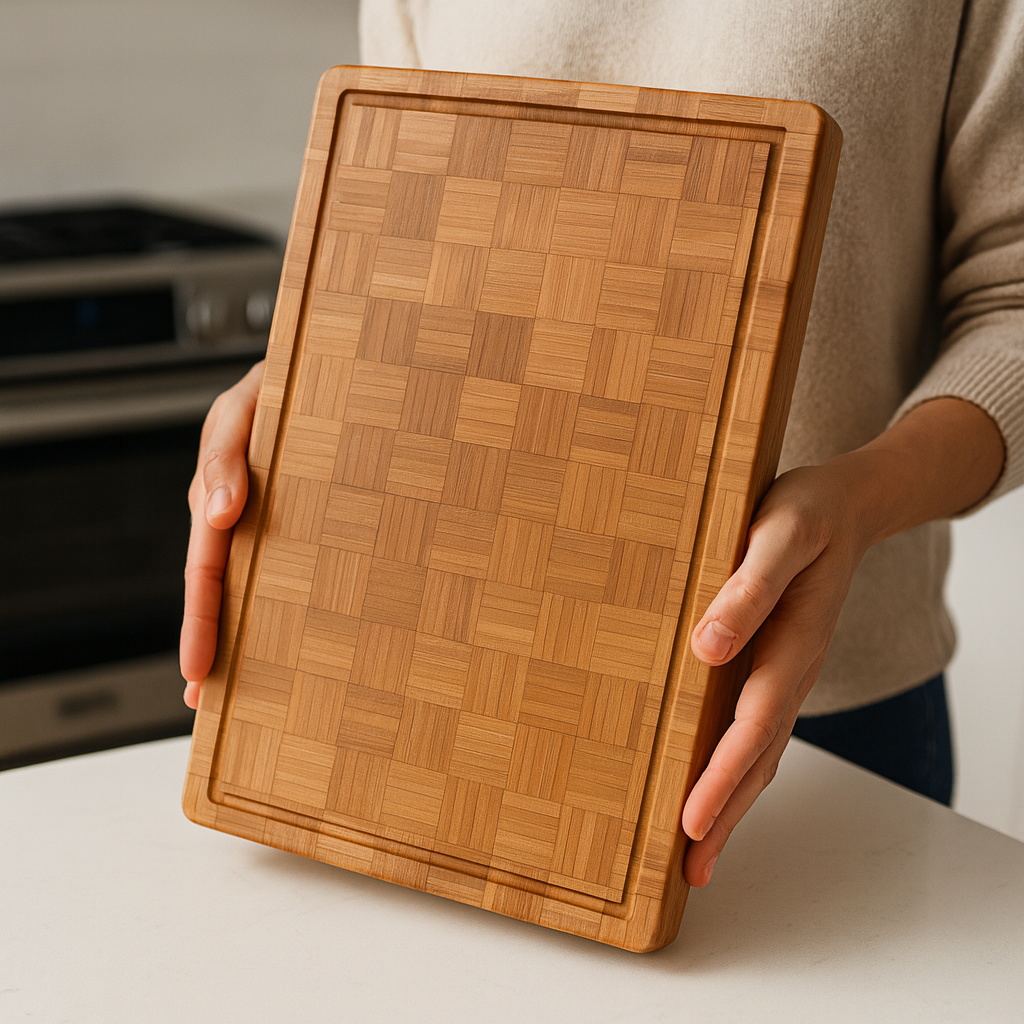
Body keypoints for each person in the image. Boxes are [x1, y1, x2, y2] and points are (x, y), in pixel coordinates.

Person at [180, 0, 1023, 891]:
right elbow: (414, 221)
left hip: (822, 716)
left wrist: (857, 503)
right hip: (432, 682)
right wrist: (307, 372)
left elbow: (1010, 300)